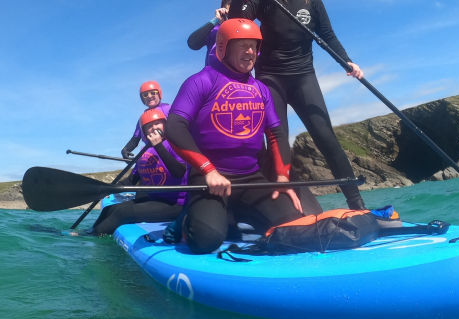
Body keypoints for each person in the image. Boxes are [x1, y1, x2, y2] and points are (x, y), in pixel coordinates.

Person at [229, 0, 366, 210]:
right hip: (271, 78)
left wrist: (347, 61)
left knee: (325, 136)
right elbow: (236, 23)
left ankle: (356, 202)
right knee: (279, 141)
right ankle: (284, 205)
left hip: (304, 77)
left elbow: (327, 35)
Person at [165, 17, 322, 254]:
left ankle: (236, 213)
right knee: (205, 240)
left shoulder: (261, 89)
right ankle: (188, 219)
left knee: (293, 227)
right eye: (243, 45)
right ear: (223, 47)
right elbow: (174, 126)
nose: (251, 52)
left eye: (254, 45)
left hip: (252, 177)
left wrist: (281, 177)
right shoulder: (201, 81)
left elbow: (276, 134)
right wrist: (208, 170)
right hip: (211, 179)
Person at [92, 108, 189, 236]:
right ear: (144, 131)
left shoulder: (174, 144)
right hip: (155, 200)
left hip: (176, 205)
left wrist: (159, 146)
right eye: (149, 126)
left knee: (123, 212)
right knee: (111, 209)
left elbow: (179, 172)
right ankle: (89, 232)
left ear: (165, 125)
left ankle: (91, 237)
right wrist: (109, 189)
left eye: (157, 123)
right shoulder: (145, 151)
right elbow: (132, 179)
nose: (154, 128)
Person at [186, 0, 252, 65]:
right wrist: (216, 19)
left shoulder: (250, 30)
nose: (235, 7)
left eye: (239, 5)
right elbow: (193, 43)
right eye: (231, 4)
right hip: (214, 75)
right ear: (224, 7)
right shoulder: (214, 29)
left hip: (241, 76)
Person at [120, 81, 171, 159]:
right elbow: (135, 138)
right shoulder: (142, 118)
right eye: (145, 95)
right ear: (142, 99)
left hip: (170, 151)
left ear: (159, 94)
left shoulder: (169, 109)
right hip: (152, 153)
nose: (149, 96)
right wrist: (126, 149)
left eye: (153, 93)